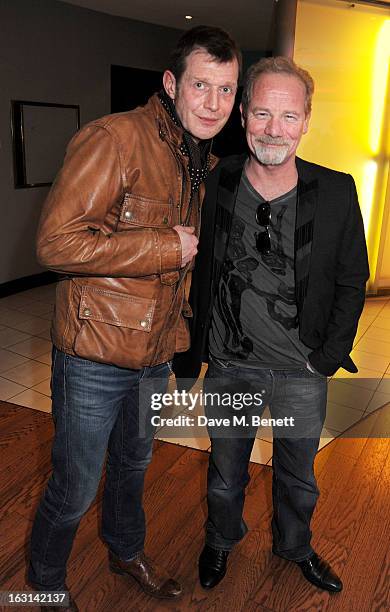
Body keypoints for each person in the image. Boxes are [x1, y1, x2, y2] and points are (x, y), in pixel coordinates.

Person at [28, 26, 241, 611]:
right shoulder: (116, 138)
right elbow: (55, 243)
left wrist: (181, 340)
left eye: (226, 90)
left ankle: (126, 550)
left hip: (153, 356)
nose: (213, 103)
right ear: (172, 85)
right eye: (201, 85)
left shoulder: (199, 158)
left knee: (133, 467)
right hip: (93, 354)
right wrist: (162, 248)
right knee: (73, 488)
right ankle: (45, 583)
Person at [173, 57, 369, 593]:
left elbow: (354, 281)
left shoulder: (335, 191)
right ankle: (220, 540)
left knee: (298, 478)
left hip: (301, 371)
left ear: (306, 120)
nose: (273, 129)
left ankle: (295, 546)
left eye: (287, 117)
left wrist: (325, 358)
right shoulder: (217, 181)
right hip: (231, 366)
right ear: (242, 115)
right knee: (224, 474)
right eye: (261, 113)